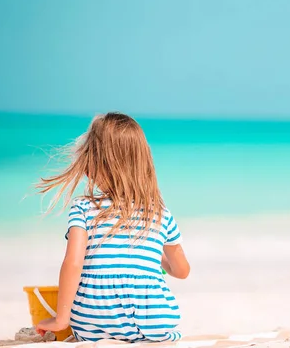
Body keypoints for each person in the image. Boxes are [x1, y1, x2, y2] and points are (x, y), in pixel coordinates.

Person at [35, 112, 190, 342]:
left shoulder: (83, 208)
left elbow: (73, 263)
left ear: (94, 166)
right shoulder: (159, 213)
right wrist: (154, 256)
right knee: (169, 328)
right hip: (152, 323)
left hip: (92, 322)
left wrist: (61, 319)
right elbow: (182, 271)